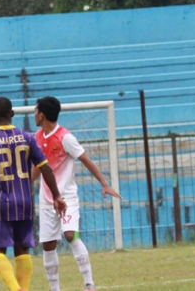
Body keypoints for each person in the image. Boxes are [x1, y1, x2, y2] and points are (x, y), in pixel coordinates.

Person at [0, 97, 67, 291]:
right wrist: (57, 196)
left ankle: (16, 290)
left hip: (1, 201)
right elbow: (46, 169)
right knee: (22, 249)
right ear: (12, 114)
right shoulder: (28, 137)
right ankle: (23, 289)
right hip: (25, 201)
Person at [33, 96, 123, 291]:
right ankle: (55, 289)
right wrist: (23, 186)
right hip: (47, 200)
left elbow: (86, 159)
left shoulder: (65, 137)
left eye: (35, 111)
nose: (34, 114)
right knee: (48, 244)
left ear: (42, 115)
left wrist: (104, 183)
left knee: (70, 234)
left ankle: (89, 284)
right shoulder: (37, 137)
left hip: (67, 197)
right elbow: (38, 168)